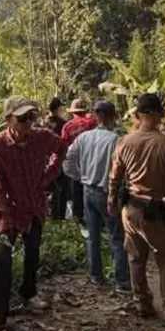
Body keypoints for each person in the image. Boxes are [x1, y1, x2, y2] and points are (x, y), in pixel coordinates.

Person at [0, 96, 67, 331]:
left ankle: (29, 294)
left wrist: (47, 177)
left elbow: (62, 149)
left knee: (32, 253)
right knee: (1, 259)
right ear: (8, 120)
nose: (27, 123)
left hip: (35, 207)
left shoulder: (43, 138)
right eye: (22, 118)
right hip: (10, 211)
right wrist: (4, 215)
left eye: (31, 117)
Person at [109, 93, 165, 328]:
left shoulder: (124, 141)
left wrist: (112, 202)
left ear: (138, 114)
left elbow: (114, 177)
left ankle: (142, 303)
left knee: (136, 259)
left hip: (131, 209)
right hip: (156, 211)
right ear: (157, 114)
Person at [63, 100, 130, 292]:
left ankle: (96, 275)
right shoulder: (115, 140)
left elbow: (67, 162)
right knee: (117, 237)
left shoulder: (84, 138)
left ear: (96, 116)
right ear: (111, 117)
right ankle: (123, 282)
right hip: (106, 192)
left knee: (92, 235)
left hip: (87, 191)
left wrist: (80, 176)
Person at [61, 98, 98, 238]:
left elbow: (64, 146)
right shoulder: (92, 123)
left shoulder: (68, 127)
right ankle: (94, 216)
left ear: (73, 112)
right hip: (92, 161)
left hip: (75, 163)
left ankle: (79, 216)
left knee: (76, 188)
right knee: (92, 187)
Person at [46, 97, 70, 221]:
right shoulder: (63, 123)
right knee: (61, 188)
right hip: (58, 160)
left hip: (45, 161)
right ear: (57, 108)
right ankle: (59, 216)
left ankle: (52, 215)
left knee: (50, 188)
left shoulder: (42, 123)